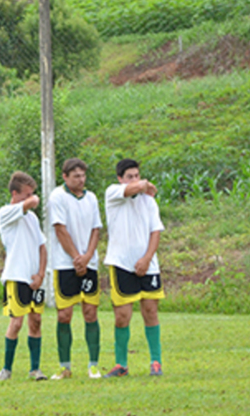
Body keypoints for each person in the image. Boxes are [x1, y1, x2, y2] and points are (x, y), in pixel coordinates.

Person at [103, 158, 165, 378]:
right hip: (121, 263)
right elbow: (138, 188)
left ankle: (155, 362)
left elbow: (155, 232)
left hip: (148, 265)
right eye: (129, 176)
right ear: (120, 179)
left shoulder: (149, 202)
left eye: (137, 175)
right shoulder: (113, 193)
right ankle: (121, 365)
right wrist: (143, 185)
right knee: (122, 316)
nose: (135, 180)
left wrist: (147, 258)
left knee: (150, 311)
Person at [48, 158, 103, 380]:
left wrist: (87, 256)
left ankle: (93, 365)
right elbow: (60, 229)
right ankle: (65, 366)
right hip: (65, 264)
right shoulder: (57, 197)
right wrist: (75, 258)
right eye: (76, 176)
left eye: (83, 175)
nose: (81, 180)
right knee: (64, 315)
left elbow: (96, 229)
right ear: (65, 177)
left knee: (90, 312)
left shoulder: (91, 198)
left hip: (88, 263)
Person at [0, 172, 48, 382]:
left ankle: (35, 370)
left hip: (34, 278)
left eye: (32, 194)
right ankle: (6, 369)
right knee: (16, 323)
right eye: (26, 194)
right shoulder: (6, 213)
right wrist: (31, 201)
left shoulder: (32, 218)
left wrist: (41, 274)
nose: (32, 198)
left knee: (36, 321)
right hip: (16, 276)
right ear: (15, 194)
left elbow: (42, 247)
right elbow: (28, 205)